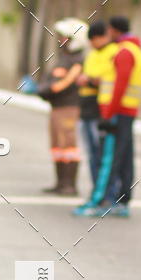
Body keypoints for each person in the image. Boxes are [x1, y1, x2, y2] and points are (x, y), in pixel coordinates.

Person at [74, 15, 141, 218]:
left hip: (117, 111)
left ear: (114, 31)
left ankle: (101, 202)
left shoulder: (123, 52)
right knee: (124, 158)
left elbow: (119, 86)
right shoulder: (136, 50)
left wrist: (108, 113)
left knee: (110, 159)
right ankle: (123, 202)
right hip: (128, 111)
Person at [39, 18, 86, 196]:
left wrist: (44, 90)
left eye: (64, 37)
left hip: (68, 107)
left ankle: (69, 184)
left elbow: (62, 84)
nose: (60, 40)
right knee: (58, 145)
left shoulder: (77, 60)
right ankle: (60, 182)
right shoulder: (65, 58)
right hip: (57, 107)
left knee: (68, 145)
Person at [76, 21, 117, 186]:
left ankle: (106, 193)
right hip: (86, 109)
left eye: (93, 40)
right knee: (92, 154)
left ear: (100, 37)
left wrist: (90, 80)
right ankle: (96, 191)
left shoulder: (113, 52)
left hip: (99, 109)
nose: (92, 44)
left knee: (101, 153)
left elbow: (108, 79)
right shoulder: (93, 53)